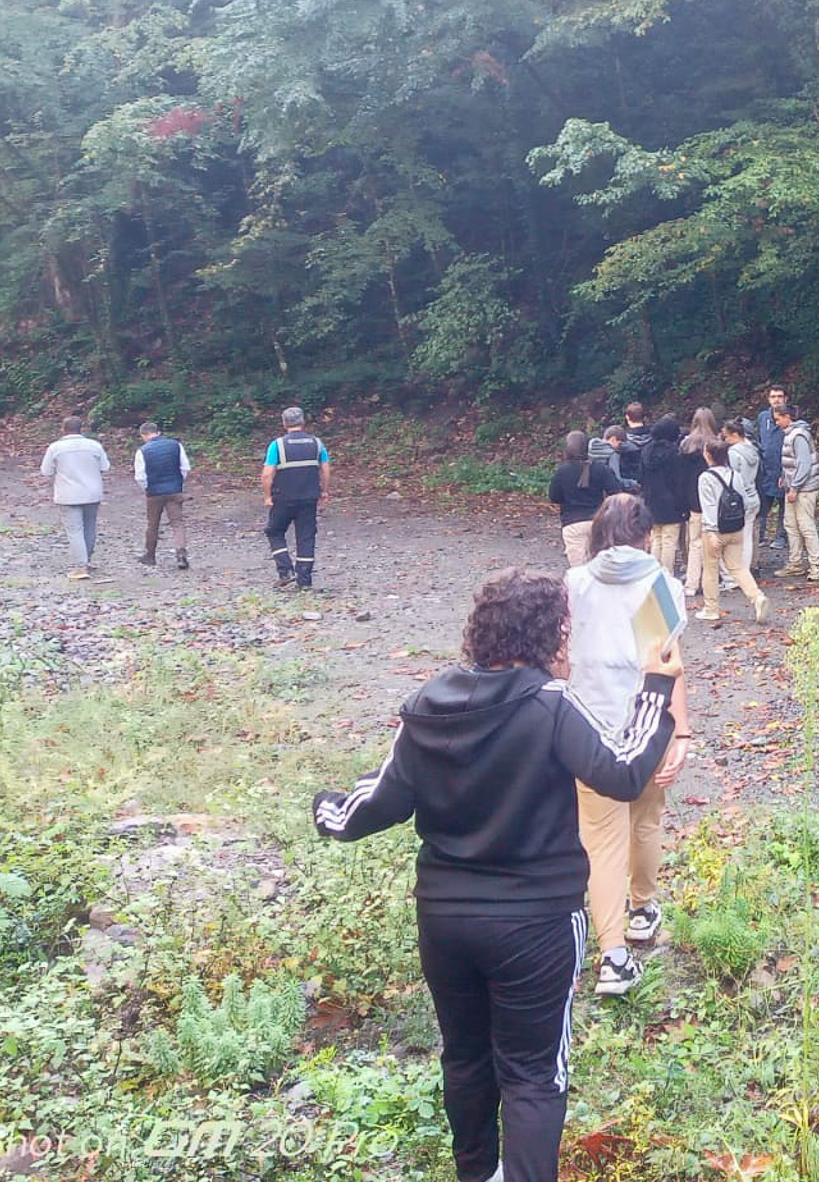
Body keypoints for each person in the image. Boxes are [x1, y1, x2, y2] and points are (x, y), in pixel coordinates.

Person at [313, 567, 681, 1182]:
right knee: (535, 1075)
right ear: (544, 637)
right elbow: (620, 772)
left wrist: (324, 809)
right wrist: (654, 689)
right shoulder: (549, 705)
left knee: (465, 1059)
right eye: (564, 632)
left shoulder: (428, 704)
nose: (568, 645)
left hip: (446, 921)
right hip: (536, 924)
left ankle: (477, 1172)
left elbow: (371, 807)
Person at [564, 494, 691, 995]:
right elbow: (668, 660)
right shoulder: (659, 584)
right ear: (644, 536)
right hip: (647, 721)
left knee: (600, 838)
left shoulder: (573, 584)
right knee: (646, 819)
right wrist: (682, 731)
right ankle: (642, 908)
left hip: (585, 729)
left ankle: (612, 955)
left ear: (597, 532)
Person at [694, 438, 769, 625]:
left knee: (710, 567)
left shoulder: (706, 477)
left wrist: (710, 531)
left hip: (716, 529)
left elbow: (708, 506)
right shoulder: (735, 475)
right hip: (735, 527)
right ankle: (757, 597)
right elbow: (743, 499)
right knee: (737, 567)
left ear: (708, 455)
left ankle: (711, 609)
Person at [263, 407, 329, 589]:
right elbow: (325, 469)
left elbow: (267, 474)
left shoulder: (277, 445)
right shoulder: (317, 443)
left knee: (274, 531)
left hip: (283, 497)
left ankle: (285, 570)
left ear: (284, 423)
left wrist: (268, 496)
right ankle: (304, 581)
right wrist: (324, 491)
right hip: (309, 498)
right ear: (303, 422)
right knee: (306, 537)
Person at [40, 414, 110, 581]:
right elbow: (105, 467)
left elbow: (46, 471)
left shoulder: (55, 448)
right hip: (92, 492)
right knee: (90, 527)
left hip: (68, 493)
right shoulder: (94, 445)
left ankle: (80, 566)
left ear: (63, 430)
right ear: (81, 429)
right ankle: (87, 559)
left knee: (74, 530)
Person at [548, 431, 625, 566]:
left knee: (579, 571)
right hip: (597, 521)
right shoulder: (600, 468)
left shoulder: (562, 472)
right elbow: (615, 491)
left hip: (572, 523)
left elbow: (554, 497)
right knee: (599, 567)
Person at [133, 419, 191, 570]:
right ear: (158, 432)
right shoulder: (176, 445)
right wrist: (178, 483)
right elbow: (185, 467)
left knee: (152, 524)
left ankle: (150, 556)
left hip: (154, 492)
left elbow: (140, 476)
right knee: (177, 523)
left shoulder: (142, 451)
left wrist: (147, 489)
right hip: (174, 490)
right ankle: (181, 554)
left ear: (143, 435)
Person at [777, 403, 819, 581]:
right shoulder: (790, 435)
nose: (777, 422)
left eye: (779, 419)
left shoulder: (799, 436)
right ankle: (795, 563)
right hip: (793, 487)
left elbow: (804, 464)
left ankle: (816, 566)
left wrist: (795, 486)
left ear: (788, 417)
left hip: (805, 489)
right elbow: (792, 462)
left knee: (806, 526)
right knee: (791, 525)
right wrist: (784, 477)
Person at [677, 409, 721, 597]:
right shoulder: (718, 444)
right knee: (714, 540)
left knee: (694, 542)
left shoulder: (686, 445)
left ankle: (691, 582)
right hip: (714, 500)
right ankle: (713, 578)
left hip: (693, 500)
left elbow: (681, 477)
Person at [638, 417, 685, 573]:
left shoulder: (646, 451)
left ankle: (654, 572)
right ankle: (667, 573)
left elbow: (641, 478)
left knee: (655, 538)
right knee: (669, 541)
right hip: (670, 502)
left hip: (651, 500)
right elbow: (677, 481)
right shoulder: (674, 453)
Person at [725, 419, 763, 585]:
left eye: (726, 437)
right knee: (747, 538)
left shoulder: (734, 453)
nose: (725, 440)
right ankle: (745, 572)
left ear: (734, 435)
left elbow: (732, 477)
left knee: (737, 540)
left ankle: (735, 576)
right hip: (753, 495)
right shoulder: (752, 449)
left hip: (740, 498)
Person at [755, 385, 787, 553]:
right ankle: (759, 536)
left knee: (784, 506)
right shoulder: (762, 417)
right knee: (762, 505)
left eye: (780, 396)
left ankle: (781, 536)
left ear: (785, 398)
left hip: (784, 469)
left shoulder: (790, 418)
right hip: (766, 469)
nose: (776, 399)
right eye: (773, 396)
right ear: (768, 399)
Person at [618, 401, 650, 488]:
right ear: (643, 417)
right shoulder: (654, 438)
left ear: (627, 417)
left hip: (628, 487)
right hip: (651, 486)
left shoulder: (621, 441)